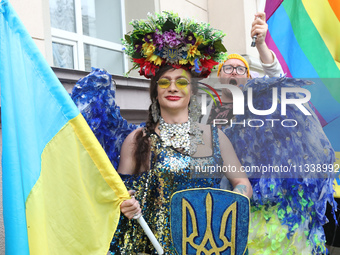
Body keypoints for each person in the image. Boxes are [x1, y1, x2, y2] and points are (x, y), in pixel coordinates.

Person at [102, 12, 252, 254]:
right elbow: (119, 193)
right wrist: (125, 203)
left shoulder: (213, 136)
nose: (173, 87)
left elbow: (242, 182)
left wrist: (232, 203)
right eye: (165, 82)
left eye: (181, 82)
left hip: (206, 246)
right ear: (155, 91)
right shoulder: (138, 139)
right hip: (153, 246)